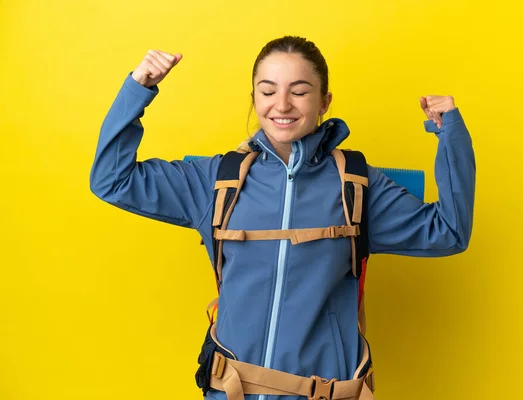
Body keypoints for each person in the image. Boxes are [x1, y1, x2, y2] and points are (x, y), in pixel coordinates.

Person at [90, 36, 475, 400]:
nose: (282, 105)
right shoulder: (216, 180)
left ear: (325, 101)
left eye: (300, 91)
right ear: (254, 97)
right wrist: (138, 88)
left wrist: (451, 136)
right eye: (268, 90)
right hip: (230, 390)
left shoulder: (357, 184)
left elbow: (449, 232)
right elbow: (112, 179)